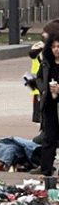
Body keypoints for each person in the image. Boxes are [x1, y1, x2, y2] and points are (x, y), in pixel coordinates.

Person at [36, 33, 59, 176]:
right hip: (50, 105)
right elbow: (39, 78)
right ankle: (46, 170)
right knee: (49, 138)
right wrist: (44, 89)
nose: (57, 50)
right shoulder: (46, 63)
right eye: (54, 47)